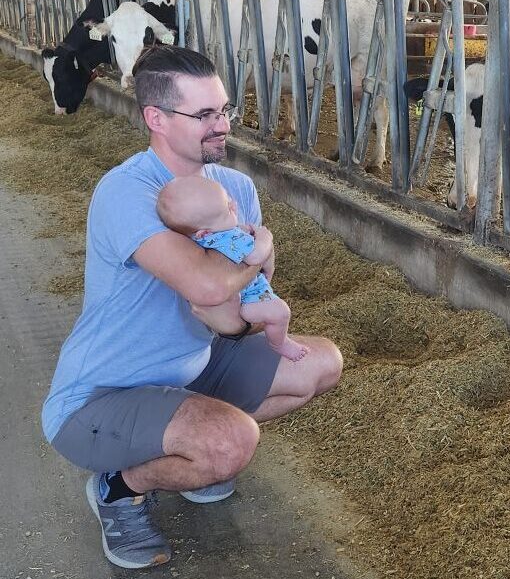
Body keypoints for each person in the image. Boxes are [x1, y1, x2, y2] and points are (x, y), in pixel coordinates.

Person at [40, 45, 343, 570]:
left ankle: (187, 445)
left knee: (321, 364)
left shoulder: (235, 187)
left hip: (193, 367)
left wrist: (238, 294)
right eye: (203, 114)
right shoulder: (125, 193)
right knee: (230, 443)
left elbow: (235, 311)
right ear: (156, 118)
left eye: (224, 109)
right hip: (103, 395)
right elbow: (208, 285)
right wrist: (258, 253)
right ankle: (119, 488)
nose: (221, 125)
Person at [156, 175, 309, 362]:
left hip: (242, 295)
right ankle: (280, 343)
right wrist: (265, 237)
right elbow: (256, 256)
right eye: (228, 209)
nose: (234, 205)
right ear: (205, 232)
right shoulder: (229, 237)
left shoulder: (203, 237)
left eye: (229, 201)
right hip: (247, 300)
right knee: (281, 312)